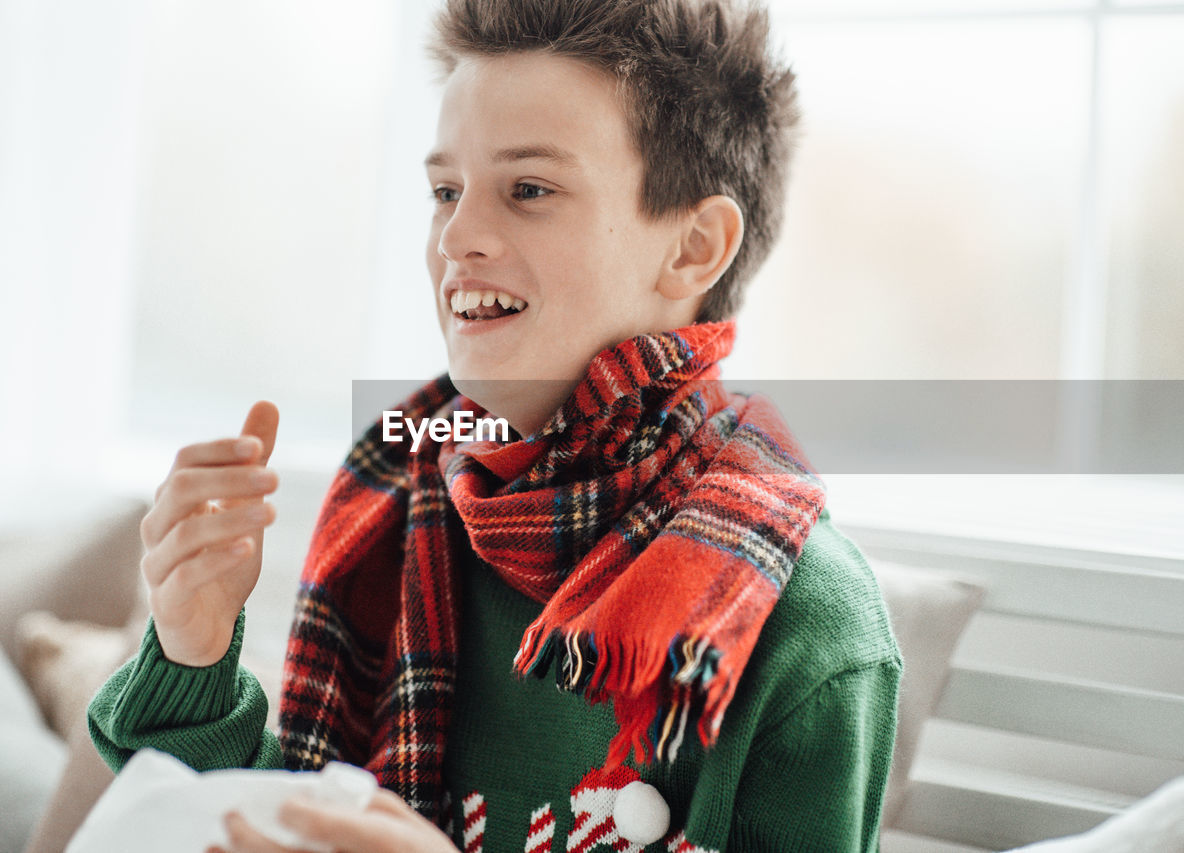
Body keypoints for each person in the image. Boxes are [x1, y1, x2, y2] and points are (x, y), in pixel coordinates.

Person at [88, 1, 903, 851]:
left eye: (529, 189)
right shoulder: (393, 500)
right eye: (446, 191)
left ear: (694, 248)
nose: (457, 238)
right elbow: (273, 824)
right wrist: (193, 653)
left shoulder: (807, 626)